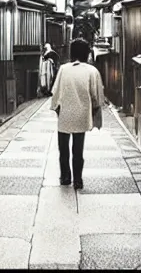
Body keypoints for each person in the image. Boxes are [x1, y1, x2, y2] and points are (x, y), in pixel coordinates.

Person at [50, 38, 104, 190]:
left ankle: (65, 177)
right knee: (78, 150)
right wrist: (94, 111)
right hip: (82, 115)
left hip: (65, 115)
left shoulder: (63, 69)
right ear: (87, 54)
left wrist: (56, 109)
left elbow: (56, 92)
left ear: (72, 53)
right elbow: (96, 96)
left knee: (63, 150)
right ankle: (78, 180)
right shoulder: (92, 71)